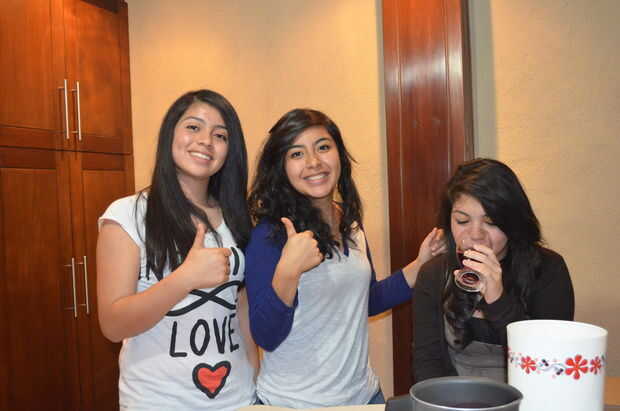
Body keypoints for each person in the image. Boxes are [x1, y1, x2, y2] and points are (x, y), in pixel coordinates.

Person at [245, 108, 445, 408]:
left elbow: (366, 300)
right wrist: (288, 270)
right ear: (281, 167)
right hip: (294, 404)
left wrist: (419, 265)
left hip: (363, 396)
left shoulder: (349, 221)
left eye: (323, 147)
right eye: (297, 154)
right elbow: (266, 336)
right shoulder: (269, 234)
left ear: (339, 154)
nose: (314, 162)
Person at [97, 89, 257, 410]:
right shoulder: (127, 214)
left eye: (220, 135)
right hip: (158, 401)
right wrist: (185, 278)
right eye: (193, 127)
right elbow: (113, 325)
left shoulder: (238, 217)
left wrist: (254, 377)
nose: (206, 141)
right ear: (170, 133)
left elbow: (241, 307)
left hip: (237, 399)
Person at [412, 158, 575, 383]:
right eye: (462, 221)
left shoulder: (548, 269)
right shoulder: (434, 274)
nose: (475, 235)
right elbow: (427, 363)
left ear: (512, 221)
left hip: (530, 394)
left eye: (490, 222)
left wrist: (498, 299)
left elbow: (548, 362)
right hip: (455, 396)